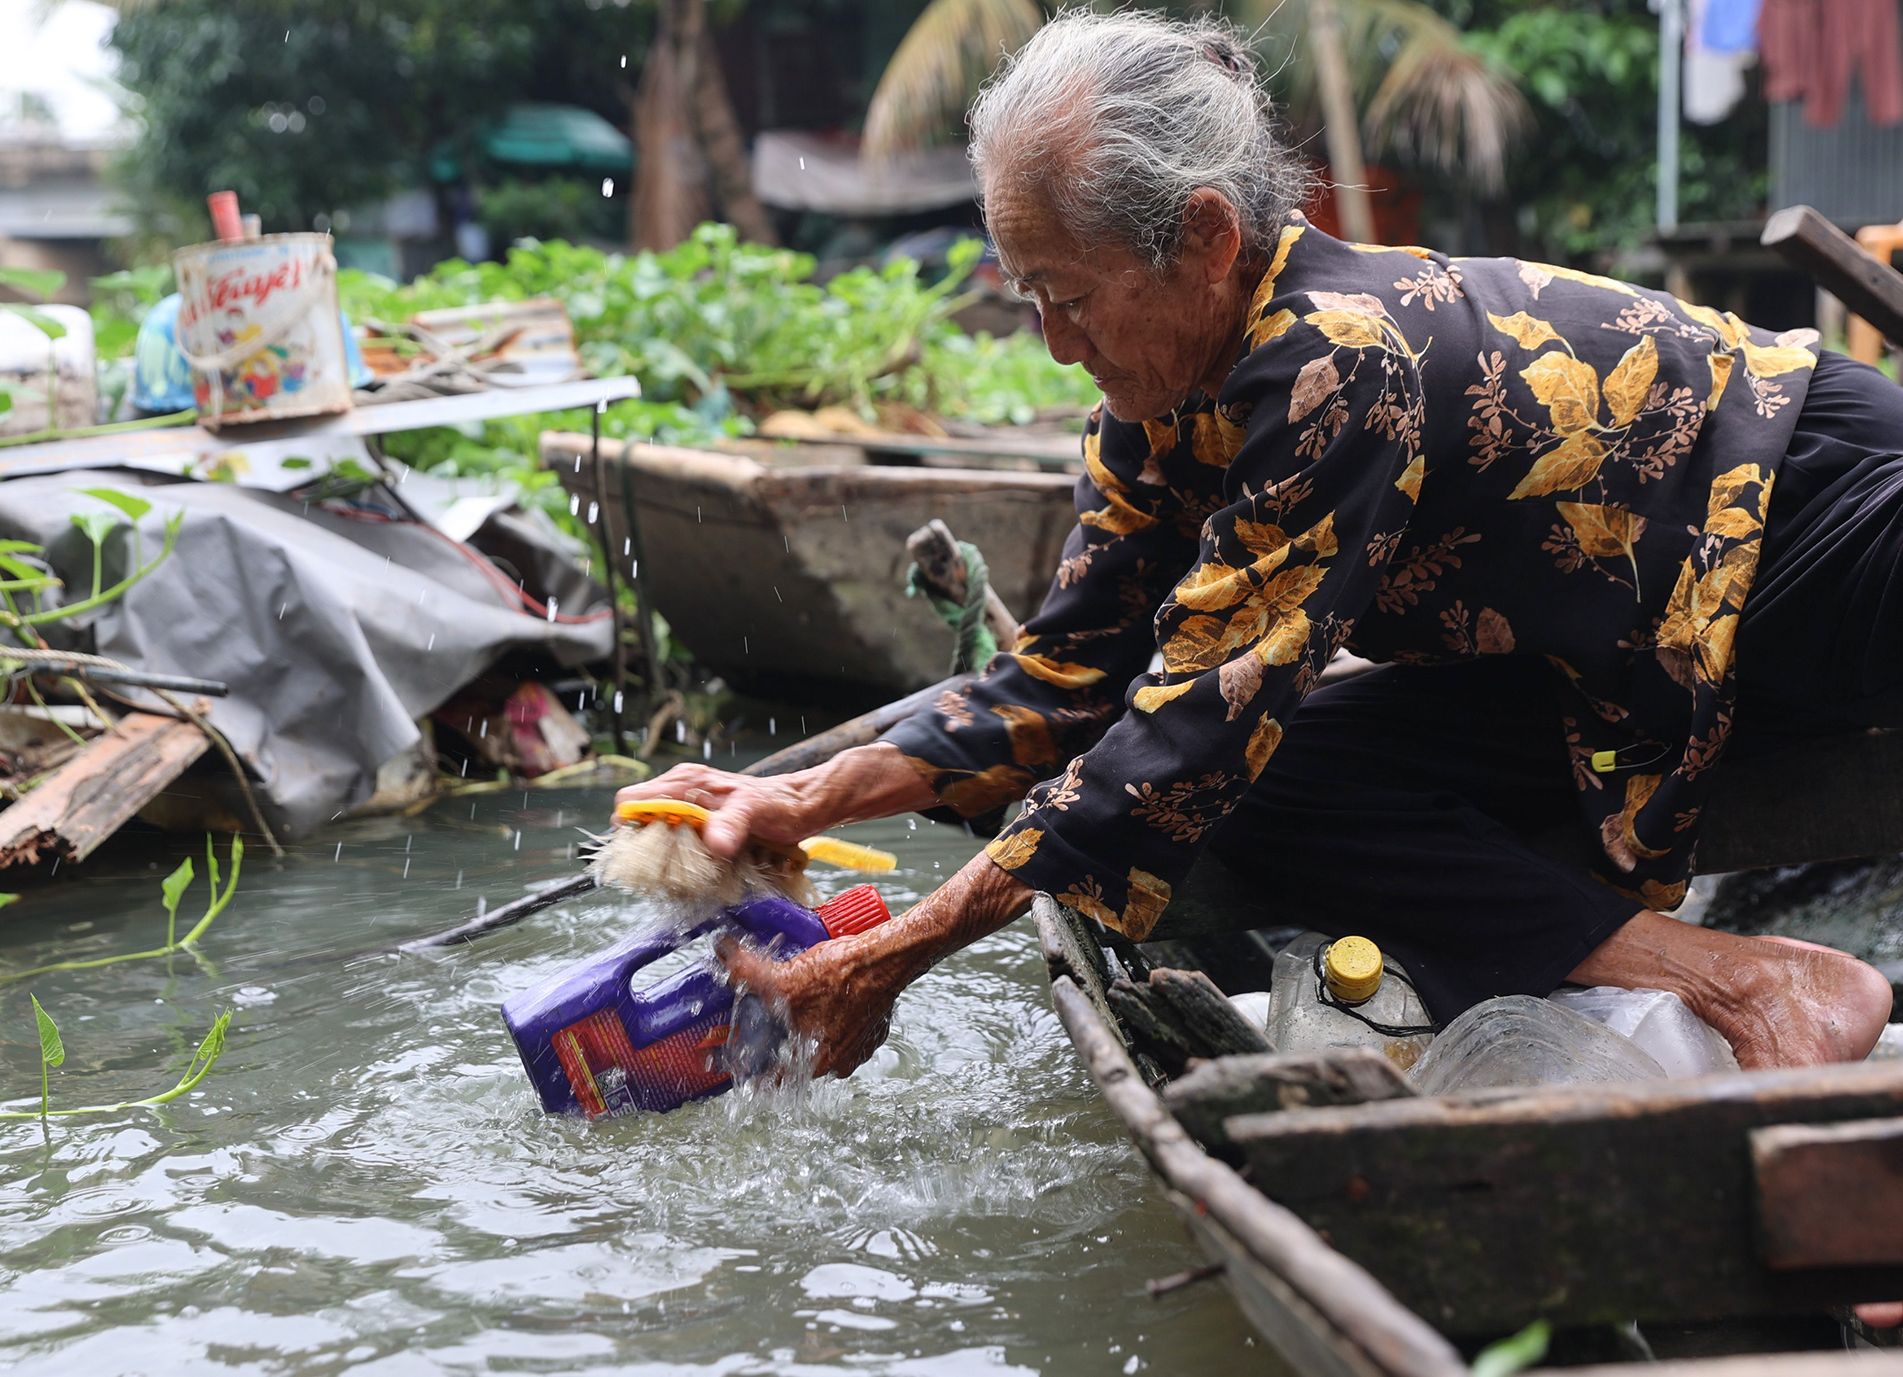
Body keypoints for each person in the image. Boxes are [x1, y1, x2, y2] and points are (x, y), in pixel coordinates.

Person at [616, 8, 1896, 1081]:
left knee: (1199, 762)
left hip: (1815, 513)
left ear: (1208, 241)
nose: (1056, 342)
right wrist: (804, 795)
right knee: (1262, 793)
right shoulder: (1156, 410)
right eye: (1030, 298)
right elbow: (1061, 685)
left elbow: (1186, 724)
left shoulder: (1339, 359)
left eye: (1069, 294)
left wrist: (890, 954)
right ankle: (1746, 984)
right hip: (1626, 633)